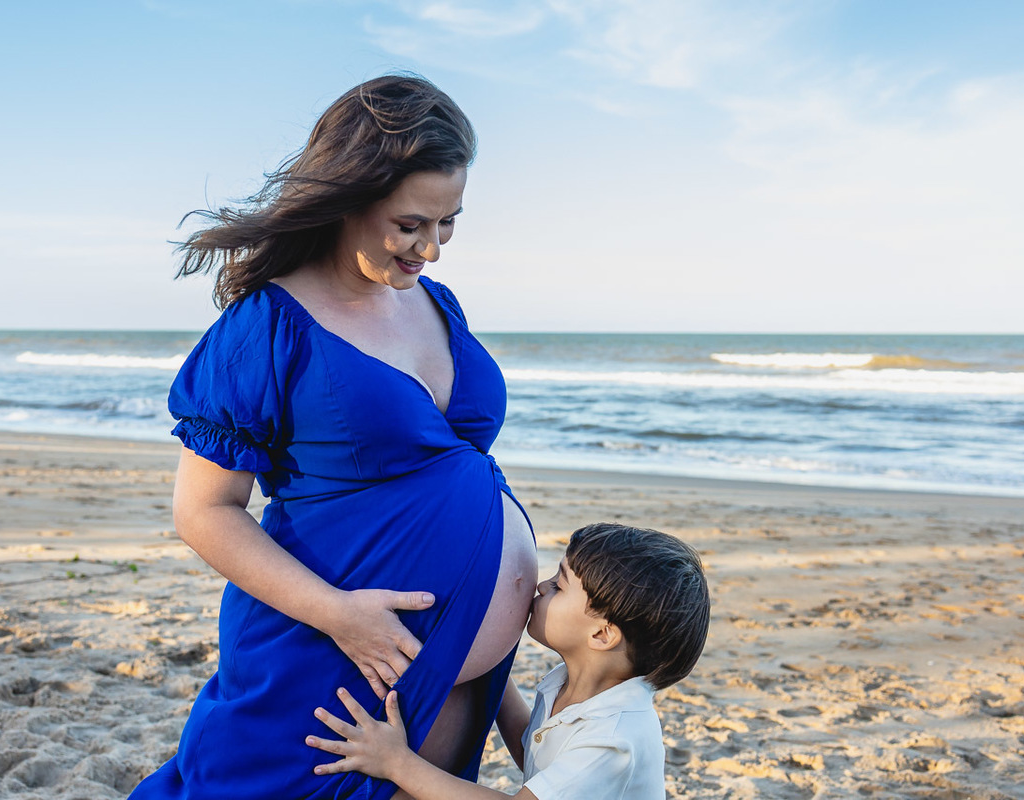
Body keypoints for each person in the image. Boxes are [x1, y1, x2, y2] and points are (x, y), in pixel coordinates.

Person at [130, 74, 538, 800]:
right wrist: (340, 616)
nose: (433, 249)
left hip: (448, 677)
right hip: (330, 656)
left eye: (449, 224)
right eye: (411, 224)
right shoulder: (268, 326)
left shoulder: (436, 303)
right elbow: (203, 511)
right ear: (350, 196)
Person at [305, 523, 711, 800]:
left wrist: (397, 763)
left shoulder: (615, 739)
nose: (541, 586)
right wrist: (488, 667)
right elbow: (532, 748)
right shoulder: (570, 683)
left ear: (601, 635)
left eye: (560, 585)